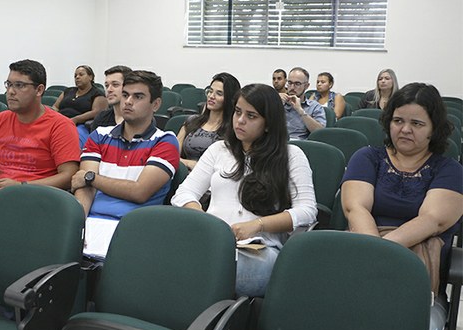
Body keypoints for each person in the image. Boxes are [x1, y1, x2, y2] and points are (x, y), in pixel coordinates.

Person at [171, 84, 317, 297]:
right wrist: (205, 221)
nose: (240, 120)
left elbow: (307, 211)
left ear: (268, 124)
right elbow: (183, 193)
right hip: (212, 240)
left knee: (217, 271)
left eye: (251, 116)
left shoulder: (291, 155)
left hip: (258, 249)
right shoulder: (219, 149)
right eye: (238, 112)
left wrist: (256, 226)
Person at [341, 83, 462, 316]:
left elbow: (432, 220)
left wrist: (382, 254)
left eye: (416, 124)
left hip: (414, 265)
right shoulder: (367, 157)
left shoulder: (449, 170)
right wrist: (372, 253)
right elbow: (355, 208)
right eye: (398, 121)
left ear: (433, 129)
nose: (405, 129)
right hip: (362, 249)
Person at [72, 70, 180, 259]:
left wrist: (92, 178)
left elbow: (139, 192)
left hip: (134, 230)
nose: (128, 101)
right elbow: (84, 187)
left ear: (155, 104)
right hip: (92, 224)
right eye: (125, 95)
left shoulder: (165, 142)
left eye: (138, 97)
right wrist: (78, 226)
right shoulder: (99, 135)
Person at [0, 59, 80, 194]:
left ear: (39, 90)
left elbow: (69, 176)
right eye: (9, 84)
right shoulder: (2, 119)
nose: (11, 91)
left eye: (20, 85)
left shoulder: (60, 125)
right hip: (1, 197)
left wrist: (22, 186)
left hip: (40, 198)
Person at [176, 72, 240, 171]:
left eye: (219, 93)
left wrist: (196, 166)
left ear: (229, 98)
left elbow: (225, 166)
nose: (211, 96)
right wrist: (188, 163)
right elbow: (172, 154)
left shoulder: (233, 129)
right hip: (183, 174)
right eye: (210, 91)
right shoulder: (192, 121)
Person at [281, 67, 326, 140]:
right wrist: (275, 104)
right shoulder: (278, 102)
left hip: (302, 145)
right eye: (290, 83)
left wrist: (300, 111)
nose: (292, 87)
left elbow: (320, 133)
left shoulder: (314, 106)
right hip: (277, 144)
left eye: (297, 84)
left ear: (306, 86)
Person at [88, 65, 132, 132]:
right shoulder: (101, 118)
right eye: (106, 86)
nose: (109, 89)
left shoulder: (140, 119)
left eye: (115, 85)